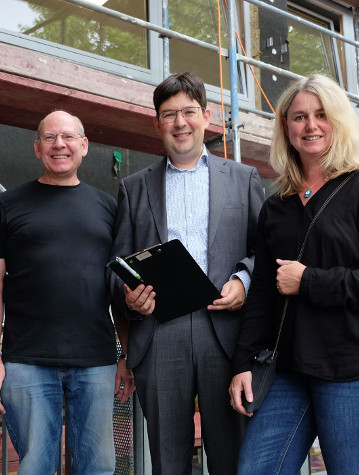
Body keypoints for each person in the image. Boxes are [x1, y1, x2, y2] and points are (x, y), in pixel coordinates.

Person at [228, 73, 359, 475]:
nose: (310, 125)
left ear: (338, 122)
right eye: (299, 117)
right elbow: (263, 291)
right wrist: (243, 362)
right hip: (290, 370)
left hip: (358, 365)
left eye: (320, 115)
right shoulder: (276, 206)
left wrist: (309, 280)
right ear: (286, 128)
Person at [111, 72, 264, 474]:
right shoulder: (133, 188)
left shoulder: (243, 178)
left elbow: (263, 251)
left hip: (227, 334)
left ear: (207, 116)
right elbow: (117, 267)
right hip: (159, 334)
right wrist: (129, 296)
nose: (180, 122)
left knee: (232, 456)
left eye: (189, 112)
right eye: (169, 114)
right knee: (167, 460)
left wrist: (244, 282)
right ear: (156, 122)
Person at [0, 110, 134, 474]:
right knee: (36, 466)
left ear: (84, 146)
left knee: (97, 467)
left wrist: (126, 355)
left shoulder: (108, 208)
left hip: (96, 359)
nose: (59, 144)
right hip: (25, 359)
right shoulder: (8, 205)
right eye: (49, 137)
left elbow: (119, 290)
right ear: (37, 148)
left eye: (67, 137)